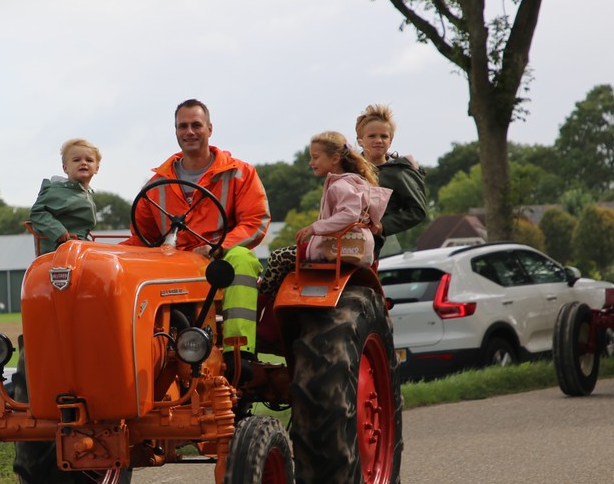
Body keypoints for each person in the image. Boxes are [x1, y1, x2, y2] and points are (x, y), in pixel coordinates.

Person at [127, 99, 270, 374]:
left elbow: (255, 221)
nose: (189, 132)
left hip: (219, 258)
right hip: (174, 261)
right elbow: (141, 237)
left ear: (209, 129)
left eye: (196, 125)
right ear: (176, 131)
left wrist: (217, 247)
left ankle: (239, 354)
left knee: (242, 259)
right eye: (183, 126)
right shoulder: (157, 183)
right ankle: (143, 353)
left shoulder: (238, 173)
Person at [258, 132, 391, 297]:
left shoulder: (341, 185)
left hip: (338, 246)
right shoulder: (351, 182)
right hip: (347, 244)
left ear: (335, 159)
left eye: (315, 157)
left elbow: (350, 214)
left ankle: (262, 298)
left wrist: (315, 228)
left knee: (278, 257)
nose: (311, 162)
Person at [355, 103, 428, 241]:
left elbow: (417, 211)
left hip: (377, 244)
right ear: (360, 141)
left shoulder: (399, 172)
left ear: (391, 141)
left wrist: (383, 225)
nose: (378, 140)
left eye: (384, 136)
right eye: (372, 136)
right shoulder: (349, 170)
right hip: (343, 240)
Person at [28, 138, 101, 255]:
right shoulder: (57, 191)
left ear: (96, 168)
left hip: (78, 247)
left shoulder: (84, 193)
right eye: (76, 160)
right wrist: (57, 231)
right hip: (58, 251)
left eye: (89, 160)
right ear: (65, 168)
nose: (83, 163)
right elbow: (37, 212)